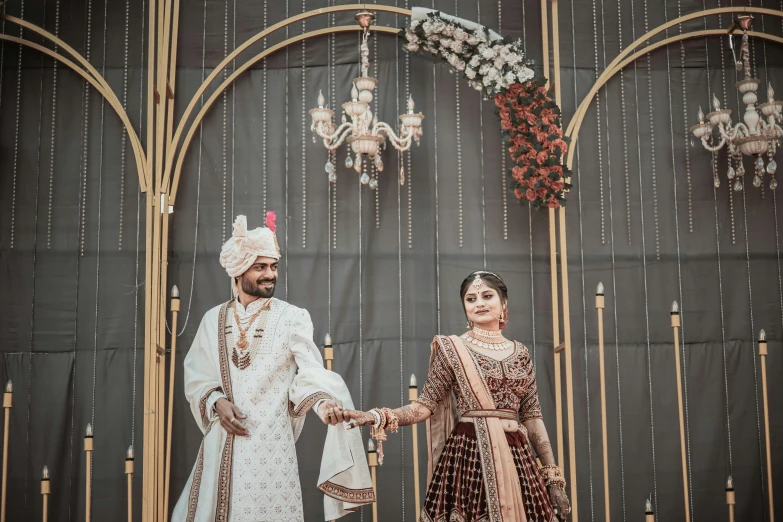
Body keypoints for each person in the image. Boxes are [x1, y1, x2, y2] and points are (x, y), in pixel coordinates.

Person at [172, 213, 374, 522]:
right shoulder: (213, 319)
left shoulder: (292, 317)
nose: (270, 274)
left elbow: (309, 371)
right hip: (223, 444)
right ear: (238, 271)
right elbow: (197, 376)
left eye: (274, 266)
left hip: (272, 449)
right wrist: (217, 401)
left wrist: (323, 403)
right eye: (260, 266)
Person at [345, 270, 571, 521]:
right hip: (471, 456)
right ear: (464, 307)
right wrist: (377, 416)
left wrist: (553, 479)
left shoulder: (520, 353)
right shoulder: (453, 349)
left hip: (517, 458)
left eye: (487, 296)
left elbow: (532, 416)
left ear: (503, 303)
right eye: (471, 299)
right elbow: (424, 406)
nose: (480, 303)